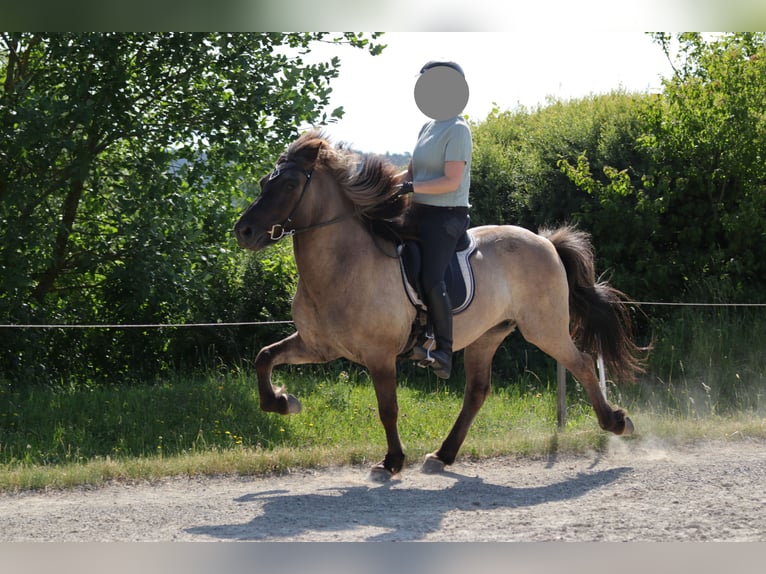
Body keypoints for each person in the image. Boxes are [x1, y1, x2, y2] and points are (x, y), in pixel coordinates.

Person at [396, 60, 472, 379]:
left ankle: (443, 350)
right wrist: (380, 186)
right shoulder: (427, 127)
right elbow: (412, 172)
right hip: (419, 212)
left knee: (431, 278)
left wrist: (410, 187)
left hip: (446, 218)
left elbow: (450, 181)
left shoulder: (458, 129)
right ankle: (414, 330)